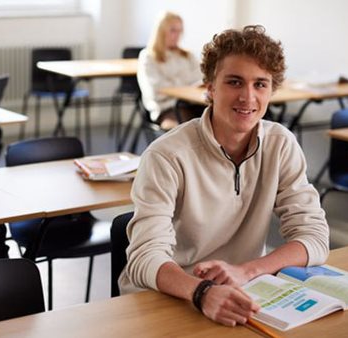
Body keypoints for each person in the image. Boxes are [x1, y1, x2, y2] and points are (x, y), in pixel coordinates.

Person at [120, 25, 329, 327]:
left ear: (272, 91)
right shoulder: (166, 155)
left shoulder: (280, 144)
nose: (248, 97)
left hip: (238, 290)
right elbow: (144, 260)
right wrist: (203, 292)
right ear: (210, 87)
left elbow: (315, 238)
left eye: (260, 84)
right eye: (234, 82)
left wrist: (247, 271)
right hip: (165, 298)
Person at [137, 11, 205, 130]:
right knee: (190, 129)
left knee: (216, 119)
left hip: (193, 104)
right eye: (173, 30)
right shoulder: (148, 57)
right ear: (161, 32)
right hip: (167, 109)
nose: (177, 35)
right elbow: (156, 90)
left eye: (180, 31)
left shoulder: (187, 55)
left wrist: (177, 84)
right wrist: (186, 87)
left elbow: (201, 78)